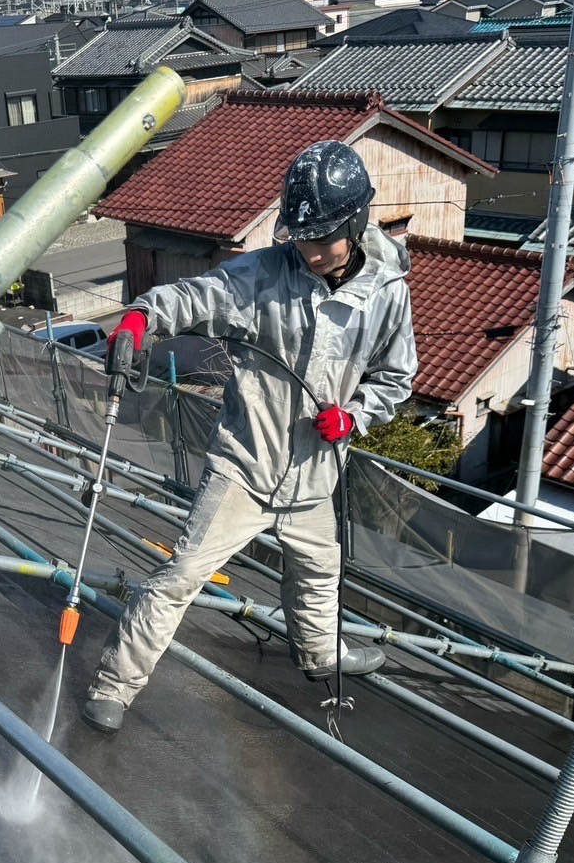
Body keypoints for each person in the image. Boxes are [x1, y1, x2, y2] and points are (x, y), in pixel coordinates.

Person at [81, 140, 418, 733]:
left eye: (321, 239)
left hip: (316, 471)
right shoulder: (263, 277)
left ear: (356, 223)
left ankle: (319, 654)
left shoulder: (388, 292)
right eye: (301, 237)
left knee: (319, 571)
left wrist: (357, 414)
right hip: (246, 467)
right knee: (182, 575)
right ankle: (114, 686)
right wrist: (142, 317)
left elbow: (397, 378)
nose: (309, 252)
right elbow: (193, 295)